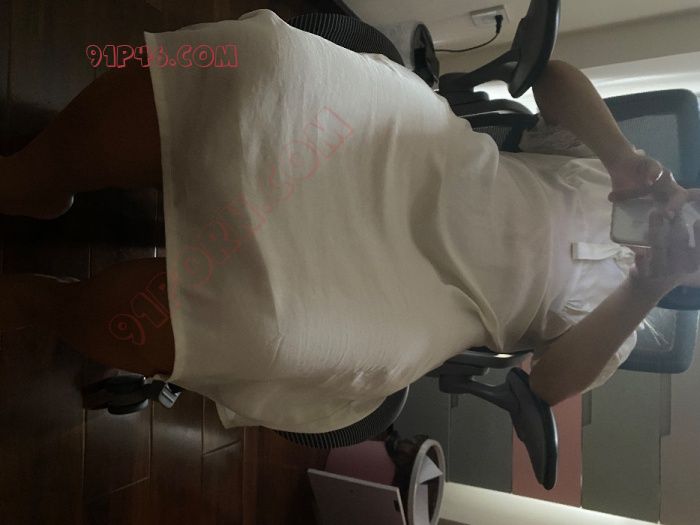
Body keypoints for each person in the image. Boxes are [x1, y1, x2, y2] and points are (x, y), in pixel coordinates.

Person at [1, 9, 698, 433]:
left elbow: (545, 383)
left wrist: (645, 285)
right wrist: (620, 155)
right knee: (266, 70)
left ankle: (54, 307)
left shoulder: (623, 330)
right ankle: (34, 176)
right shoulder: (614, 168)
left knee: (266, 330)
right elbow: (554, 77)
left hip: (422, 302)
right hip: (425, 155)